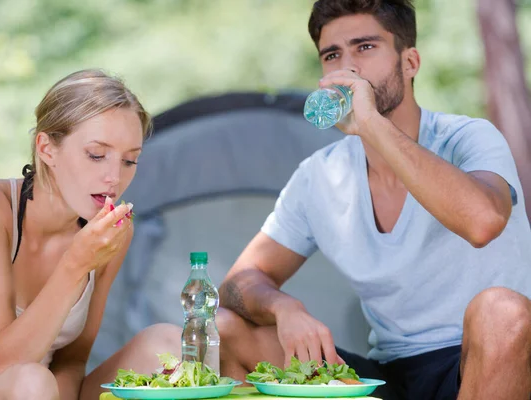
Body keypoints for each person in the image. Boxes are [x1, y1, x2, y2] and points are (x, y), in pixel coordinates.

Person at [216, 1, 531, 400]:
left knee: (501, 311)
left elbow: (483, 222)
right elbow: (236, 285)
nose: (348, 68)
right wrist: (283, 308)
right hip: (385, 375)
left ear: (410, 62)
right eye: (333, 55)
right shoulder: (321, 175)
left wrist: (371, 124)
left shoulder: (468, 137)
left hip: (482, 360)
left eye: (365, 48)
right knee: (226, 328)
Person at [0, 69, 181, 400]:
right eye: (96, 155)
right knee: (32, 381)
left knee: (168, 344)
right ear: (47, 149)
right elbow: (7, 362)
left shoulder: (112, 231)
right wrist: (76, 263)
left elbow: (73, 359)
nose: (113, 177)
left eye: (129, 160)